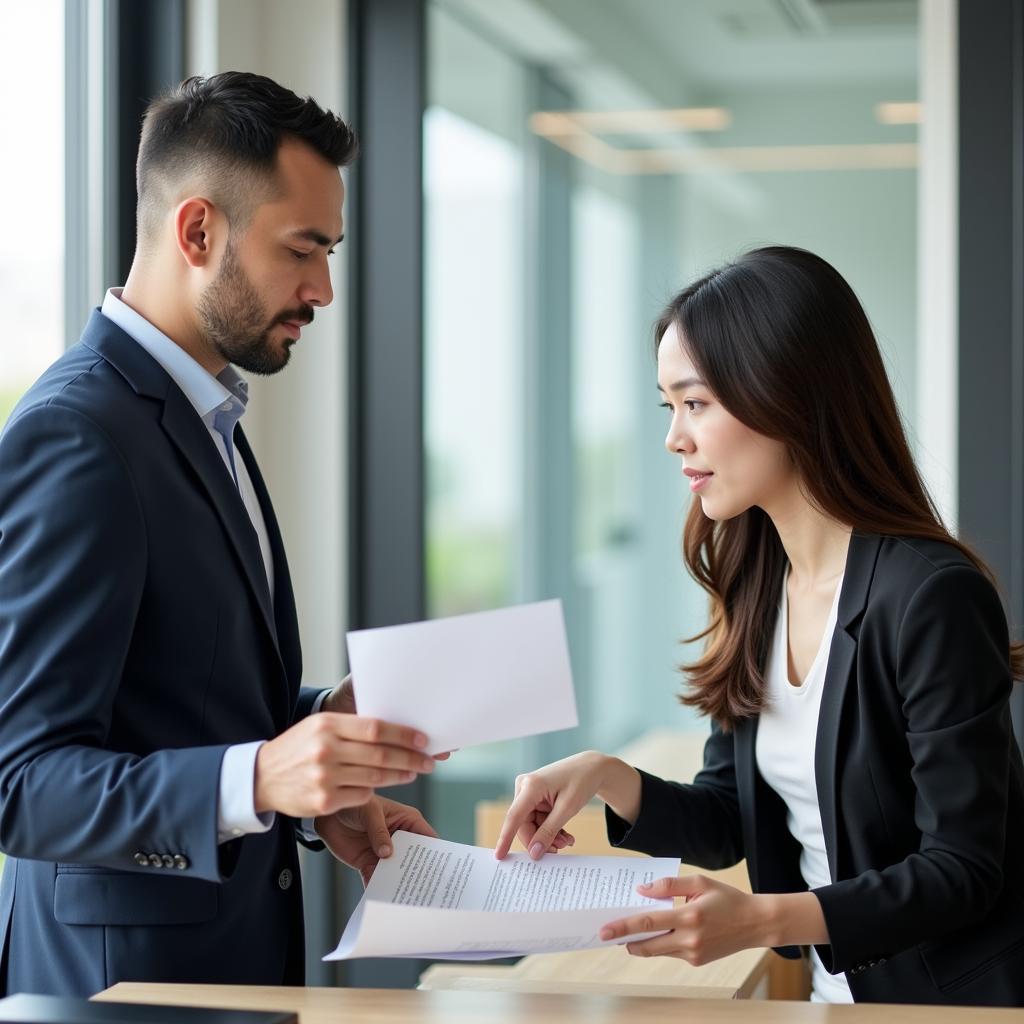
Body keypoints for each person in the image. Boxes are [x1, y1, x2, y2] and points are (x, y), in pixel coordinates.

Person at [0, 72, 438, 997]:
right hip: (120, 992)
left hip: (217, 977)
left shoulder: (206, 419)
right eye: (302, 250)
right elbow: (22, 781)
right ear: (197, 231)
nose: (322, 287)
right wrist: (259, 779)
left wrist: (321, 755)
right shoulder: (78, 434)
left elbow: (173, 699)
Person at [496, 246, 1024, 1006]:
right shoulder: (755, 582)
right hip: (836, 997)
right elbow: (730, 818)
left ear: (789, 394)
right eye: (667, 407)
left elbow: (964, 870)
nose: (675, 437)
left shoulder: (930, 595)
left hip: (954, 1006)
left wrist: (759, 921)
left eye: (697, 403)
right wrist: (608, 778)